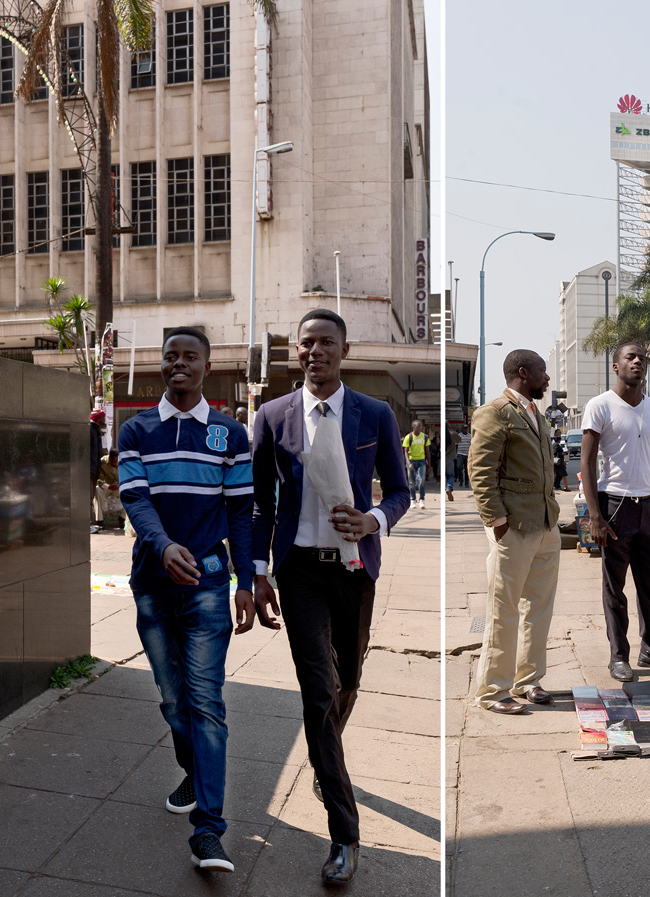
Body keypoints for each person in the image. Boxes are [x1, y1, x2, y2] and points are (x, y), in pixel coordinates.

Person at [250, 309, 410, 886]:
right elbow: (262, 501)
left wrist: (372, 521)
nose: (315, 352)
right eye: (306, 343)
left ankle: (326, 754)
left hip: (353, 572)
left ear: (344, 350)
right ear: (296, 353)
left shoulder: (374, 414)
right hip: (299, 575)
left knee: (348, 681)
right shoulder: (272, 417)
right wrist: (258, 570)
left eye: (326, 343)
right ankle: (344, 833)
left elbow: (400, 491)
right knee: (317, 692)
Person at [118, 327, 257, 873]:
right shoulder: (136, 430)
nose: (179, 364)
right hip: (152, 585)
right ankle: (193, 768)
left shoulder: (230, 433)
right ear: (162, 365)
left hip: (207, 588)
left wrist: (245, 581)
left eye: (189, 357)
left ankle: (210, 830)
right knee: (173, 700)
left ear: (206, 366)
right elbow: (135, 499)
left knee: (206, 704)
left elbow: (242, 514)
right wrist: (163, 544)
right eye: (170, 356)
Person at [583, 343, 650, 681]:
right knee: (615, 588)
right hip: (615, 506)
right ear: (615, 366)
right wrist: (594, 516)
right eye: (630, 357)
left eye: (642, 358)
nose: (638, 361)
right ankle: (618, 656)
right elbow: (586, 462)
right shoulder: (600, 406)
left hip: (648, 509)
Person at [469, 349, 561, 712]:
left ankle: (528, 680)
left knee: (539, 609)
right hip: (514, 528)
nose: (547, 378)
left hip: (545, 526)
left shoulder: (535, 413)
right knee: (502, 610)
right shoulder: (494, 412)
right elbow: (481, 471)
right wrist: (497, 523)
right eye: (542, 372)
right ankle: (492, 691)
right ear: (524, 373)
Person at [402, 419, 428, 509]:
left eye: (421, 426)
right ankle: (412, 500)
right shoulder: (408, 437)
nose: (420, 428)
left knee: (422, 480)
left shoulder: (424, 437)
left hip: (421, 461)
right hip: (411, 461)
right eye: (418, 426)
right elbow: (405, 452)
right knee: (411, 482)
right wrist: (409, 463)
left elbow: (427, 451)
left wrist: (429, 464)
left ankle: (422, 500)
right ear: (413, 427)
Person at [95, 449, 123, 528]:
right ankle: (99, 520)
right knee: (97, 490)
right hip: (106, 488)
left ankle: (122, 518)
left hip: (118, 488)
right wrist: (109, 486)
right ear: (110, 459)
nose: (117, 464)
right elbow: (99, 480)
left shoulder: (123, 461)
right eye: (114, 462)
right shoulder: (102, 462)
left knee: (131, 491)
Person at [90, 408, 106, 532]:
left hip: (94, 471)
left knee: (90, 497)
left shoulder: (96, 430)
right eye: (103, 417)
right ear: (98, 418)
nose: (104, 419)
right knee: (88, 498)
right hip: (90, 471)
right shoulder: (90, 429)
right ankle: (88, 524)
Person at [444, 423, 459, 501]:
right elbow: (459, 440)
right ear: (449, 426)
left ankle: (445, 488)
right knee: (450, 476)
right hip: (450, 459)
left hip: (442, 459)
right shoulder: (453, 434)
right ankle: (449, 488)